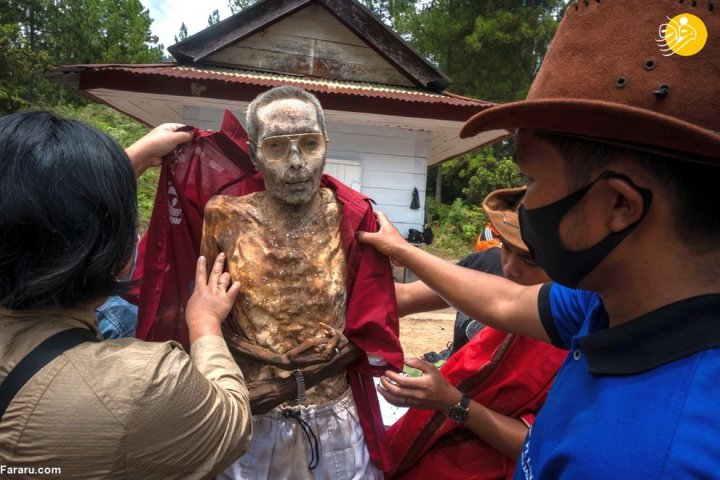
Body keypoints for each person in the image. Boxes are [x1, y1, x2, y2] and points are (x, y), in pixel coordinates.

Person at [358, 1, 720, 478]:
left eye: (530, 179)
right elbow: (507, 303)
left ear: (618, 205)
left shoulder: (651, 459)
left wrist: (456, 403)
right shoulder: (612, 307)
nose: (524, 207)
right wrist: (400, 249)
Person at [0, 111, 253, 479]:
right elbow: (231, 424)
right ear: (118, 254)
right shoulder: (140, 383)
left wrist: (130, 158)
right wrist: (205, 322)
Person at [200, 86, 402, 479]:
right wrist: (269, 359)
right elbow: (210, 314)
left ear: (325, 145)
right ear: (255, 153)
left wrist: (289, 383)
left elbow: (368, 333)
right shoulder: (225, 217)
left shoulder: (354, 218)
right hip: (249, 418)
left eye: (309, 143)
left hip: (333, 421)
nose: (297, 163)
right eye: (277, 147)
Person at [383, 187, 566, 479]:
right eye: (506, 247)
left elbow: (536, 445)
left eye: (530, 260)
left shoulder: (572, 331)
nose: (511, 267)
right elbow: (401, 298)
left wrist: (452, 402)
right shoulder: (484, 267)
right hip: (424, 443)